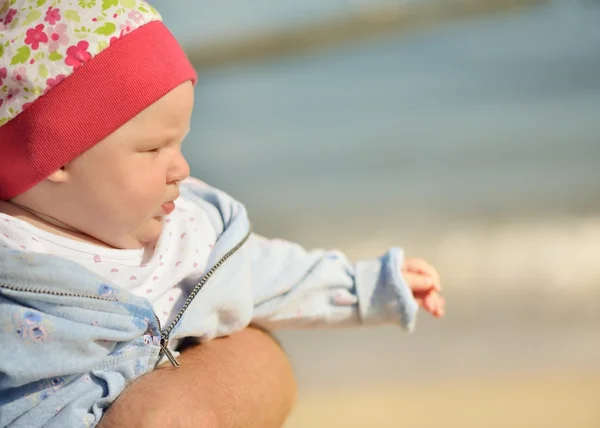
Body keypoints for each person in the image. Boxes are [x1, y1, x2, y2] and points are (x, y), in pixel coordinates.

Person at [0, 0, 445, 426]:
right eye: (153, 148)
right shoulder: (13, 267)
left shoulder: (188, 232)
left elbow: (274, 274)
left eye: (179, 143)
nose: (182, 168)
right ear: (57, 157)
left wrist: (372, 284)